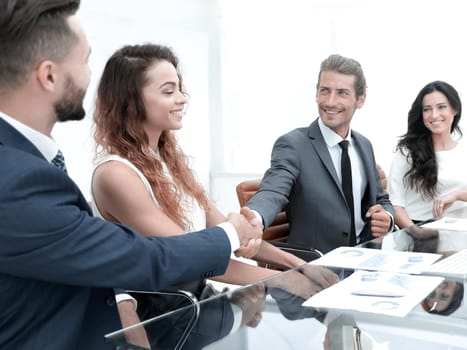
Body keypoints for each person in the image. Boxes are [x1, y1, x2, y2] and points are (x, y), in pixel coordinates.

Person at [0, 1, 263, 349]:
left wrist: (123, 299)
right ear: (49, 75)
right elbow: (147, 256)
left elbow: (79, 256)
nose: (90, 76)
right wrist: (235, 232)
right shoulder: (16, 179)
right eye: (84, 61)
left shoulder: (28, 162)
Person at [90, 44, 323, 297]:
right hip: (157, 316)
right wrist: (282, 279)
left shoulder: (169, 163)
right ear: (131, 101)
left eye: (179, 89)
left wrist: (298, 265)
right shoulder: (116, 175)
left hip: (193, 301)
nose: (181, 99)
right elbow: (191, 256)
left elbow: (225, 232)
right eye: (169, 91)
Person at [246, 54, 394, 254]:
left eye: (342, 93)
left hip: (366, 258)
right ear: (316, 93)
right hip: (317, 267)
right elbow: (273, 190)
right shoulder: (293, 145)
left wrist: (387, 218)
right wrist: (254, 217)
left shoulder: (364, 145)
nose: (330, 102)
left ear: (360, 99)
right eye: (325, 91)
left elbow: (380, 199)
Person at [387, 81, 467, 229]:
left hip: (460, 229)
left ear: (455, 109)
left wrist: (456, 195)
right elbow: (395, 203)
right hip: (416, 230)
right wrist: (416, 234)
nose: (434, 115)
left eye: (441, 107)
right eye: (427, 109)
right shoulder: (407, 151)